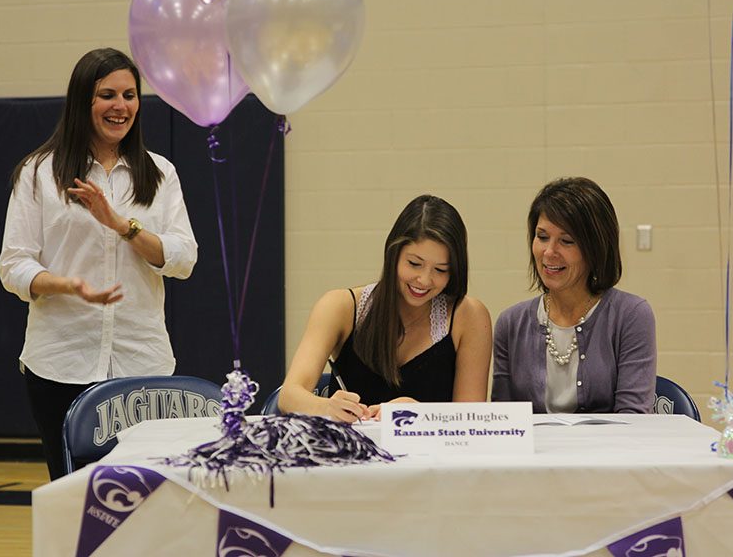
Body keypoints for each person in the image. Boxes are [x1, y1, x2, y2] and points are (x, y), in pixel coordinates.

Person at [0, 48, 198, 479]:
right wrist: (67, 286)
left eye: (129, 95)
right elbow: (13, 266)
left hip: (142, 364)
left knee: (142, 491)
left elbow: (182, 259)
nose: (120, 106)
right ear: (82, 103)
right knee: (75, 496)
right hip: (60, 362)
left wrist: (120, 224)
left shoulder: (160, 174)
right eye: (107, 94)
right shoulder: (38, 173)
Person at [278, 195, 492, 422]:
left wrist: (422, 413)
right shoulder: (339, 306)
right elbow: (289, 396)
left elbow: (472, 420)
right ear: (393, 254)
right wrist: (327, 406)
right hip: (352, 454)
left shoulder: (468, 316)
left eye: (440, 270)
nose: (424, 280)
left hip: (433, 456)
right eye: (414, 264)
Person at [492, 177, 656, 413]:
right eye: (542, 237)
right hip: (532, 451)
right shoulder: (511, 323)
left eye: (566, 241)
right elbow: (504, 421)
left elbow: (633, 420)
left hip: (609, 450)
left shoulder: (631, 315)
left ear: (595, 248)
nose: (549, 252)